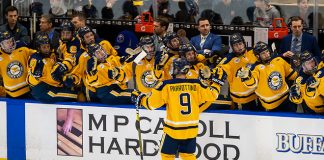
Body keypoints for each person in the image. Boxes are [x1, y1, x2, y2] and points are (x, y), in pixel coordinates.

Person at [133, 57, 221, 160]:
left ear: (176, 69)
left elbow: (151, 105)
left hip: (173, 131)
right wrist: (216, 82)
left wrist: (141, 99)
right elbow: (213, 95)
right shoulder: (197, 84)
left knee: (166, 155)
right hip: (191, 130)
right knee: (188, 155)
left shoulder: (166, 86)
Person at [237, 41, 297, 112]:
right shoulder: (255, 68)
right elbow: (252, 83)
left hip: (286, 101)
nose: (267, 54)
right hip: (269, 106)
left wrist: (298, 68)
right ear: (257, 56)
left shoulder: (279, 60)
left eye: (267, 51)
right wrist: (247, 77)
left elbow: (294, 75)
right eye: (263, 53)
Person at [27, 33, 78, 103]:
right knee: (76, 96)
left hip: (50, 86)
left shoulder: (51, 54)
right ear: (38, 48)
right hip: (41, 91)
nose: (47, 49)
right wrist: (63, 79)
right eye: (44, 47)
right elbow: (51, 76)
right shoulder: (36, 60)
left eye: (48, 46)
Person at [216, 33, 258, 110]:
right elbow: (218, 70)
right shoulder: (228, 59)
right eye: (235, 45)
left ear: (244, 43)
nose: (239, 47)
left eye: (240, 43)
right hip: (239, 99)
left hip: (255, 97)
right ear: (232, 47)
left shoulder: (253, 52)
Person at [0, 31, 36, 98]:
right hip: (10, 95)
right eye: (7, 42)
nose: (10, 44)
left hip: (28, 92)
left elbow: (38, 55)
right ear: (1, 44)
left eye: (11, 41)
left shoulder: (22, 50)